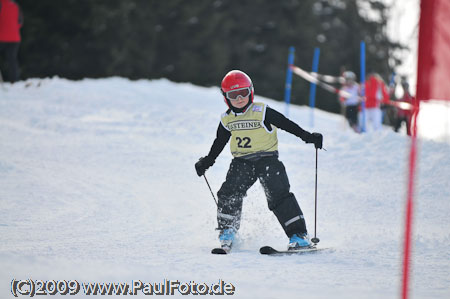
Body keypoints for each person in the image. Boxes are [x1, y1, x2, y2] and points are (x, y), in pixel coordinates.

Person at [195, 70, 323, 251]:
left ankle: (299, 236)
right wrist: (208, 161)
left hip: (268, 160)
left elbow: (286, 123)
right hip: (241, 163)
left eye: (243, 93)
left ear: (251, 92)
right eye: (233, 95)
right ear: (226, 97)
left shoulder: (262, 111)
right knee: (228, 193)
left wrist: (307, 136)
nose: (239, 98)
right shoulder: (227, 119)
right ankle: (227, 232)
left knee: (279, 195)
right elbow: (219, 142)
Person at [0, 0, 23, 83]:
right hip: (15, 37)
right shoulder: (15, 5)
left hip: (2, 37)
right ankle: (15, 80)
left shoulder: (1, 4)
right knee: (12, 59)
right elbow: (20, 22)